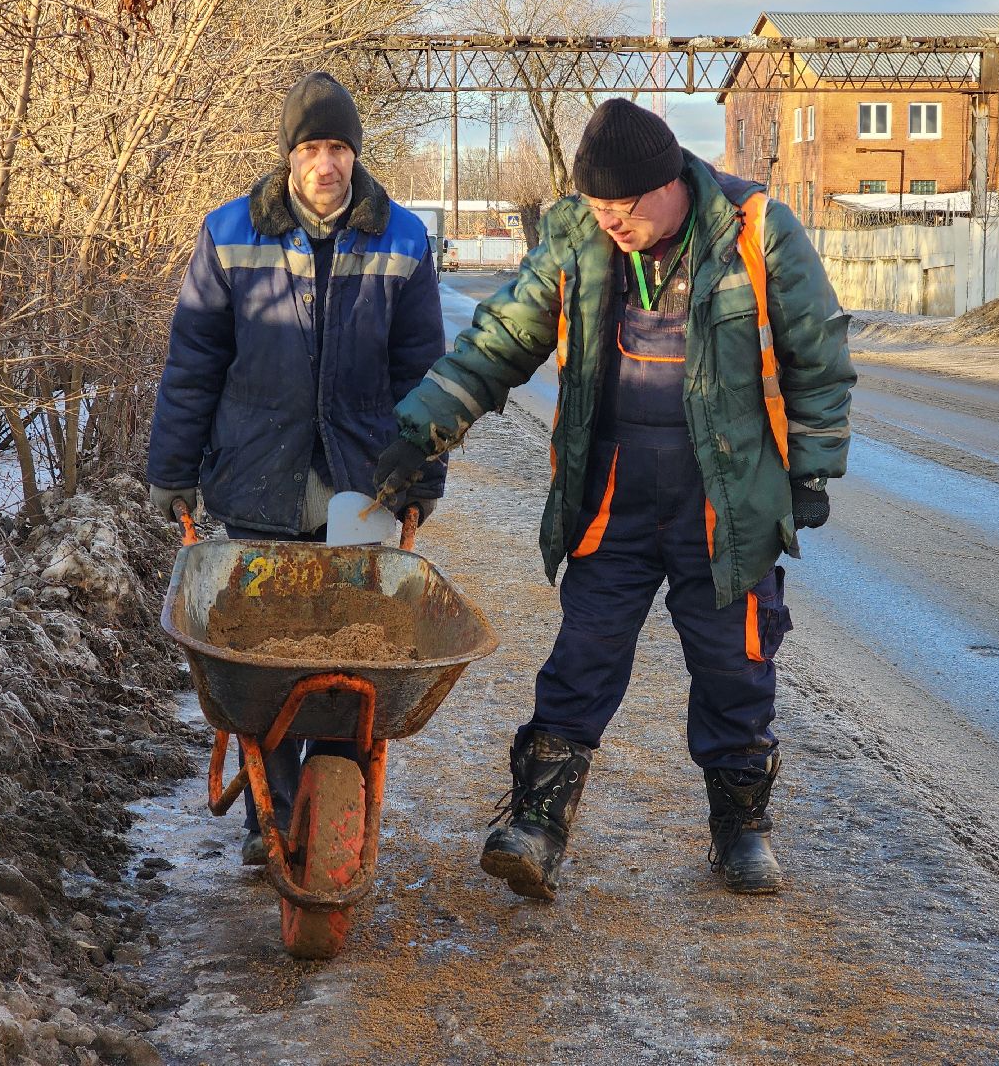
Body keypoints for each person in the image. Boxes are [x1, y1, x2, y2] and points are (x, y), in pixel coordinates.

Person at [373, 99, 854, 900]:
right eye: (598, 207)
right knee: (581, 658)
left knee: (738, 667)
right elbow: (501, 339)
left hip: (724, 505)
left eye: (622, 207)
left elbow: (818, 358)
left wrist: (810, 473)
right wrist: (422, 428)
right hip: (613, 500)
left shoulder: (756, 230)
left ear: (668, 183)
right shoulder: (574, 237)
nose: (611, 222)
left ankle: (742, 829)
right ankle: (535, 825)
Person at [146, 72, 445, 864]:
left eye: (339, 147)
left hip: (363, 481)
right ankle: (270, 818)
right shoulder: (230, 232)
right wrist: (172, 466)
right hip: (256, 475)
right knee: (262, 656)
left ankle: (327, 816)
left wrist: (425, 479)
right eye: (312, 146)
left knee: (353, 659)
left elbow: (424, 375)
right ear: (288, 156)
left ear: (355, 154)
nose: (326, 162)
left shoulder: (403, 239)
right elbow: (194, 364)